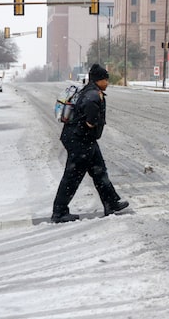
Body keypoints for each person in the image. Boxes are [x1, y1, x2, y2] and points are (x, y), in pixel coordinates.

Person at [51, 64, 129, 223]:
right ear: (98, 80)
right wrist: (92, 124)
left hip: (84, 139)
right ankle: (59, 212)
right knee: (72, 176)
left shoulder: (90, 91)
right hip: (79, 141)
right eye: (105, 79)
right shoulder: (93, 95)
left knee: (99, 171)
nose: (107, 82)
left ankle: (111, 203)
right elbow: (90, 119)